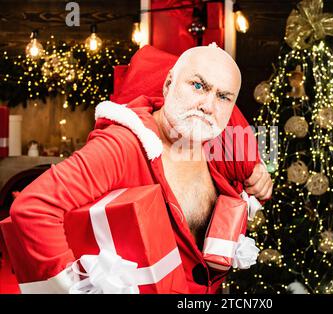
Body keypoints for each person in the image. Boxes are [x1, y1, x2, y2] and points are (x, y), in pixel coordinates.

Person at [9, 43, 273, 294]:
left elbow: (246, 180)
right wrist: (78, 287)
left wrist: (260, 177)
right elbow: (33, 208)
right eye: (197, 86)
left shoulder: (216, 147)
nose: (208, 106)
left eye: (223, 96)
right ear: (169, 84)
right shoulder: (124, 145)